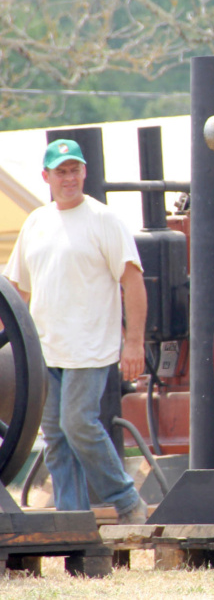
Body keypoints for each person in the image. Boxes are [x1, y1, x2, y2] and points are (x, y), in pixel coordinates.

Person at [3, 139, 149, 524]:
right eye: (61, 171)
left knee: (78, 424)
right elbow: (15, 290)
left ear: (84, 172)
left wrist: (133, 343)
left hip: (90, 347)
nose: (69, 178)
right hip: (44, 351)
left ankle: (127, 500)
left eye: (74, 170)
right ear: (46, 177)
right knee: (56, 439)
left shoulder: (105, 220)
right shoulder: (36, 222)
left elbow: (132, 283)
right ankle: (72, 522)